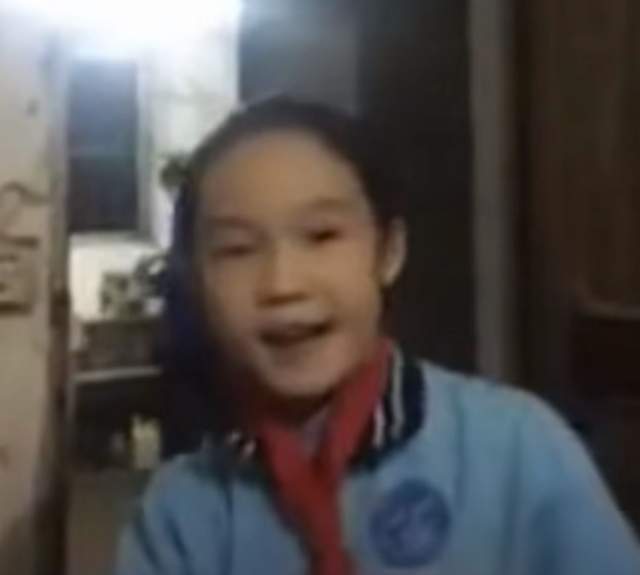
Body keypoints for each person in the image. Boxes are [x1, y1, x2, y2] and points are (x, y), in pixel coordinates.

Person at [114, 97, 640, 575]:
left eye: (322, 235)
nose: (281, 284)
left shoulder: (517, 446)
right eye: (236, 250)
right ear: (197, 280)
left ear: (388, 251)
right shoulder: (178, 513)